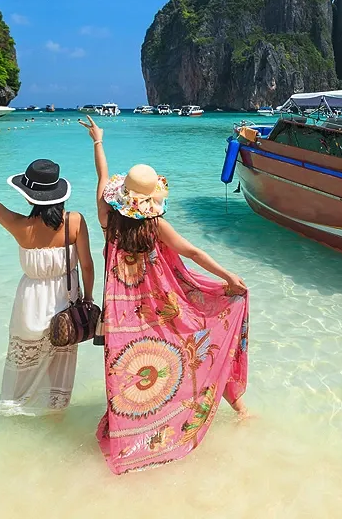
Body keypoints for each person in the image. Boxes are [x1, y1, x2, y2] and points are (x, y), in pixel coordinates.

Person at [80, 116, 249, 475]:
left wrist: (98, 141)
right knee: (172, 361)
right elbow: (192, 253)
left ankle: (129, 438)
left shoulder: (107, 221)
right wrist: (227, 276)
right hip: (155, 312)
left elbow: (100, 177)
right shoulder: (156, 227)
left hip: (119, 317)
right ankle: (191, 420)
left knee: (126, 373)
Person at [0, 134, 95, 415]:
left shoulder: (19, 225)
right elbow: (87, 265)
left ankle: (17, 406)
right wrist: (88, 298)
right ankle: (53, 412)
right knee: (58, 361)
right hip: (65, 303)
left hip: (29, 301)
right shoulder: (74, 221)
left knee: (25, 364)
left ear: (28, 195)